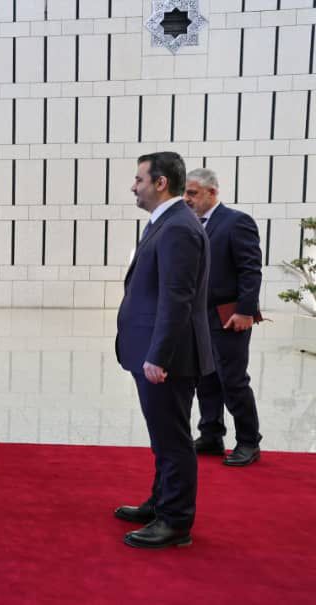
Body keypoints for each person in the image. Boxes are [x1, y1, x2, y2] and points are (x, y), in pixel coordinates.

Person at [114, 152, 213, 548]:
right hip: (155, 352)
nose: (133, 187)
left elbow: (177, 298)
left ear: (160, 183)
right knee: (163, 437)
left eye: (139, 180)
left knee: (172, 439)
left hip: (167, 359)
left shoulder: (178, 228)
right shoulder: (165, 222)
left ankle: (175, 520)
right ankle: (161, 502)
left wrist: (158, 355)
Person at [183, 168, 263, 466]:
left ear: (212, 192)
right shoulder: (189, 223)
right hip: (197, 315)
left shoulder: (237, 222)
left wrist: (245, 311)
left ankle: (249, 441)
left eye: (193, 193)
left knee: (233, 379)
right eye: (185, 192)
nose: (186, 198)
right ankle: (211, 435)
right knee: (205, 378)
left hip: (228, 314)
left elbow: (250, 270)